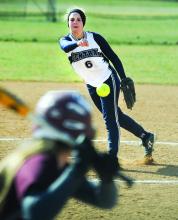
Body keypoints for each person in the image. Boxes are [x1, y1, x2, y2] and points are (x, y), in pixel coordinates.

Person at [0, 90, 131, 220]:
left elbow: (104, 201)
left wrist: (106, 179)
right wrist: (76, 171)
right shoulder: (39, 161)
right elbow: (33, 213)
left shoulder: (55, 163)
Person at [59, 8, 155, 165]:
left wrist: (123, 79)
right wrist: (78, 43)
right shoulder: (65, 40)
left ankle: (112, 157)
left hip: (108, 79)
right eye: (72, 19)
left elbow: (113, 57)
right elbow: (65, 47)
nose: (75, 22)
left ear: (83, 23)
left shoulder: (94, 38)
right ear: (68, 23)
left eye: (78, 19)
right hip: (92, 84)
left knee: (110, 119)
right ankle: (146, 136)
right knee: (115, 114)